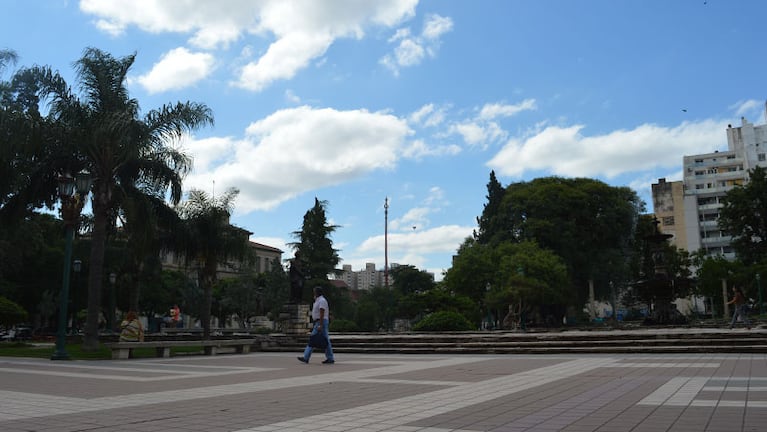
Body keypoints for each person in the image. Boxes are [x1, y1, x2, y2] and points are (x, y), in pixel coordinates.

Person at [297, 286, 335, 364]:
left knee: (313, 339)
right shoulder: (318, 300)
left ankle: (306, 357)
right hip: (319, 322)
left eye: (314, 292)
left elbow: (322, 313)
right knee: (324, 340)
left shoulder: (322, 301)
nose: (313, 293)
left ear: (317, 292)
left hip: (321, 322)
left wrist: (320, 325)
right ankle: (330, 357)